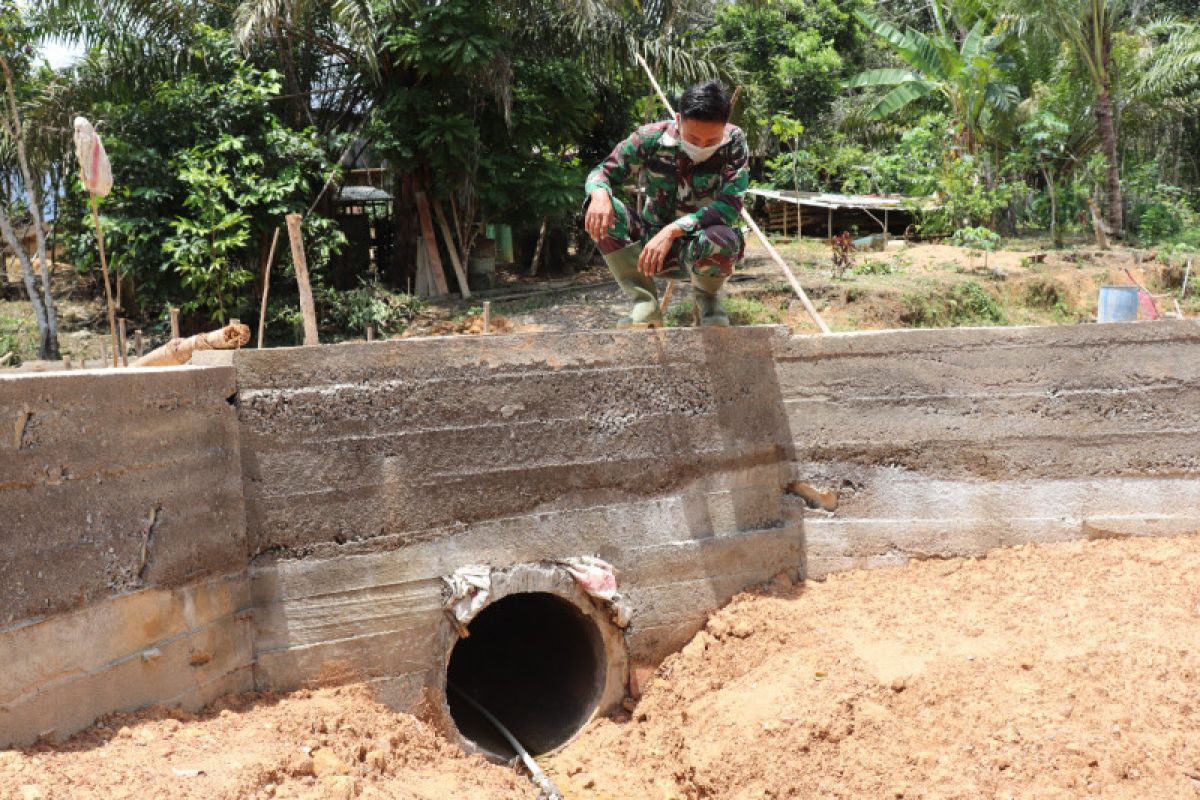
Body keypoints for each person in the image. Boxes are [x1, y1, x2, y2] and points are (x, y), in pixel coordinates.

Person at [584, 80, 748, 328]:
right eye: (693, 137)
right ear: (679, 119)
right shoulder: (650, 138)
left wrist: (672, 231)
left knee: (723, 237)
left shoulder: (733, 142)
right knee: (598, 208)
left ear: (724, 127)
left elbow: (730, 205)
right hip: (649, 249)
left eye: (711, 140)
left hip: (702, 248)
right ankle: (644, 303)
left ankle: (710, 302)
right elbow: (603, 172)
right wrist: (598, 193)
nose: (702, 146)